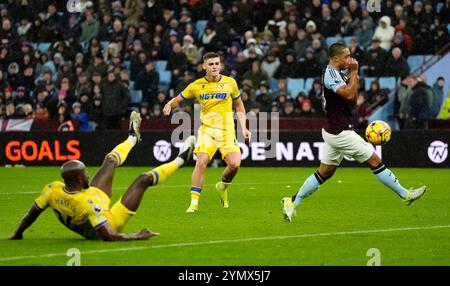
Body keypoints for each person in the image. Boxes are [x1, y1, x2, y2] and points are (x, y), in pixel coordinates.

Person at [281, 43, 427, 222]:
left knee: (324, 172)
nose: (350, 59)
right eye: (346, 56)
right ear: (336, 58)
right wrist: (355, 72)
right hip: (340, 132)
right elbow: (350, 96)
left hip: (333, 129)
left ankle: (293, 201)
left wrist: (351, 74)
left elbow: (353, 100)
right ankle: (405, 194)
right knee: (375, 161)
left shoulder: (339, 72)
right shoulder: (331, 74)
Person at [10, 111, 196, 241]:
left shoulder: (52, 189)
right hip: (110, 220)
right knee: (142, 179)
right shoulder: (89, 206)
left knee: (109, 161)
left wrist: (18, 233)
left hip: (91, 197)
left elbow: (31, 214)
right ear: (77, 180)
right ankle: (181, 159)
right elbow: (109, 236)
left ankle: (132, 137)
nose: (88, 174)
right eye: (84, 174)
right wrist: (136, 236)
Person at [163, 52, 251, 213]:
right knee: (201, 161)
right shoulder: (196, 86)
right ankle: (194, 203)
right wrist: (169, 105)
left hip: (227, 131)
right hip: (207, 130)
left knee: (235, 164)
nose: (215, 67)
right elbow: (178, 99)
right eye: (211, 64)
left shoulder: (230, 83)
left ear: (221, 65)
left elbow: (239, 106)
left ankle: (222, 186)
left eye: (217, 63)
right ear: (204, 66)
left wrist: (244, 127)